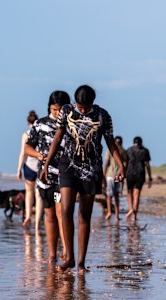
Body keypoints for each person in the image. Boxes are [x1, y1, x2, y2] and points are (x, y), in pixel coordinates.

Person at [41, 84, 125, 273]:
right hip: (68, 166)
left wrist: (120, 165)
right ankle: (69, 256)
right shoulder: (66, 111)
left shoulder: (103, 116)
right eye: (80, 106)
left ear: (93, 103)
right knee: (65, 208)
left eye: (86, 107)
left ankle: (80, 262)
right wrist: (47, 164)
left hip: (91, 170)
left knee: (85, 215)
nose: (83, 110)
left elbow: (110, 142)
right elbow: (58, 137)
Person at [25, 91, 71, 263]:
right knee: (49, 214)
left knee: (62, 213)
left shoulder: (72, 125)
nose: (57, 113)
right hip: (44, 176)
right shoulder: (40, 124)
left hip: (64, 175)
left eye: (60, 110)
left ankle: (67, 251)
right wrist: (39, 156)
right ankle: (52, 254)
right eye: (54, 109)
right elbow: (28, 148)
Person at [17, 110, 43, 232]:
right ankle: (37, 223)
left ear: (28, 122)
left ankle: (27, 216)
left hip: (28, 167)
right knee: (39, 196)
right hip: (40, 167)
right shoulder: (42, 132)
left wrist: (18, 169)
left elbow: (23, 153)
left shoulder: (26, 134)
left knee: (29, 194)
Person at [125, 136, 152, 221]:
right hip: (140, 174)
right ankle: (135, 216)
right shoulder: (145, 150)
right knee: (136, 195)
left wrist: (122, 174)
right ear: (141, 142)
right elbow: (147, 165)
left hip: (129, 173)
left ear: (133, 142)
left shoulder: (129, 150)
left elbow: (125, 163)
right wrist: (150, 177)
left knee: (129, 192)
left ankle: (131, 209)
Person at [103, 136, 127, 221]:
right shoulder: (123, 151)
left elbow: (106, 164)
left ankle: (109, 212)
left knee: (109, 195)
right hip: (119, 176)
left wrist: (103, 175)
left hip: (110, 175)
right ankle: (116, 215)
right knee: (117, 196)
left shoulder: (110, 150)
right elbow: (124, 165)